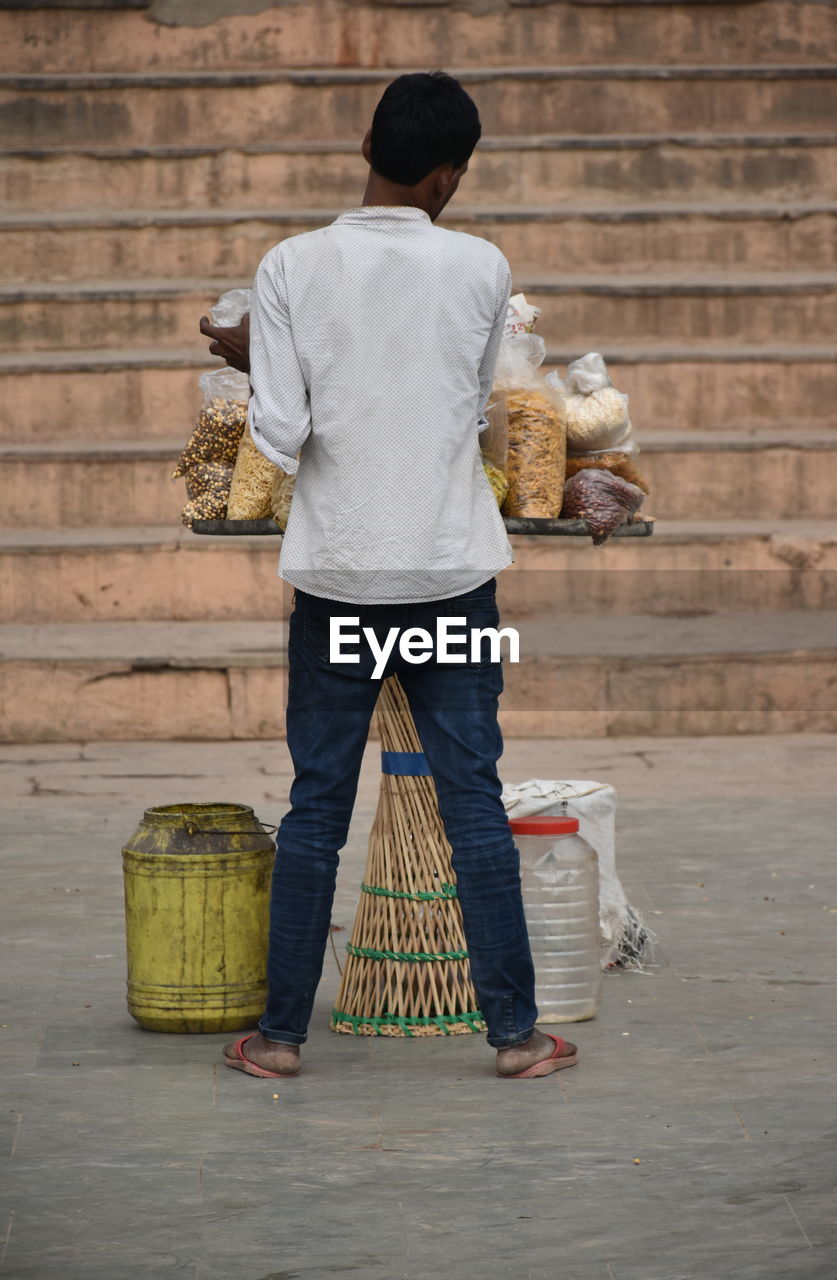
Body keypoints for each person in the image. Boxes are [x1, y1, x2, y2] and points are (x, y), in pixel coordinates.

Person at [200, 71, 577, 1080]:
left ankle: (279, 1037)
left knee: (317, 804)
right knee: (472, 799)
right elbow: (481, 399)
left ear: (366, 144)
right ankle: (518, 1037)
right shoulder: (481, 266)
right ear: (449, 175)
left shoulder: (290, 265)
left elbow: (280, 431)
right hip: (453, 578)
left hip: (337, 582)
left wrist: (247, 352)